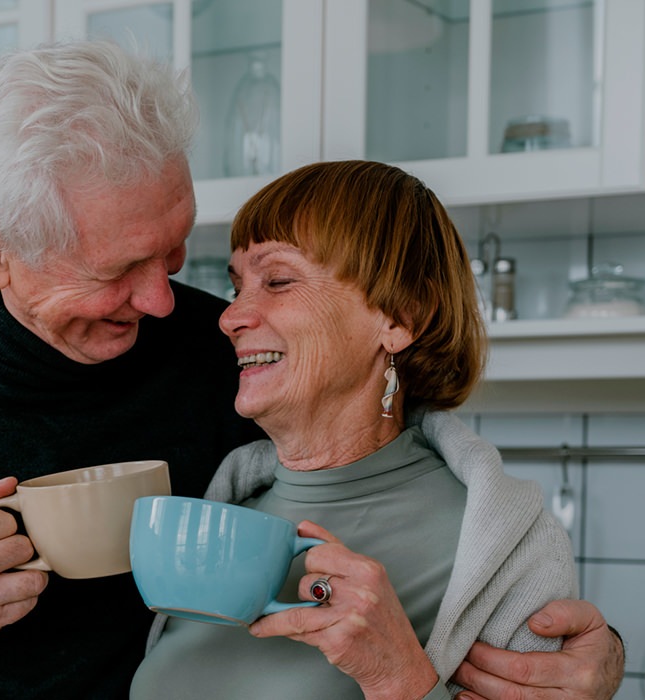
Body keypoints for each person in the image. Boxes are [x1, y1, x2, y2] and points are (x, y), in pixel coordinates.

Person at [0, 40, 624, 699]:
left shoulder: (225, 359)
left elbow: (391, 463)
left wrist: (591, 656)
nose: (169, 306)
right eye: (115, 272)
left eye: (177, 257)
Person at [133, 160, 578, 700]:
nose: (230, 318)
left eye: (277, 280)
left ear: (398, 318)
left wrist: (400, 680)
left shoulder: (503, 549)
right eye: (237, 287)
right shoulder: (220, 510)